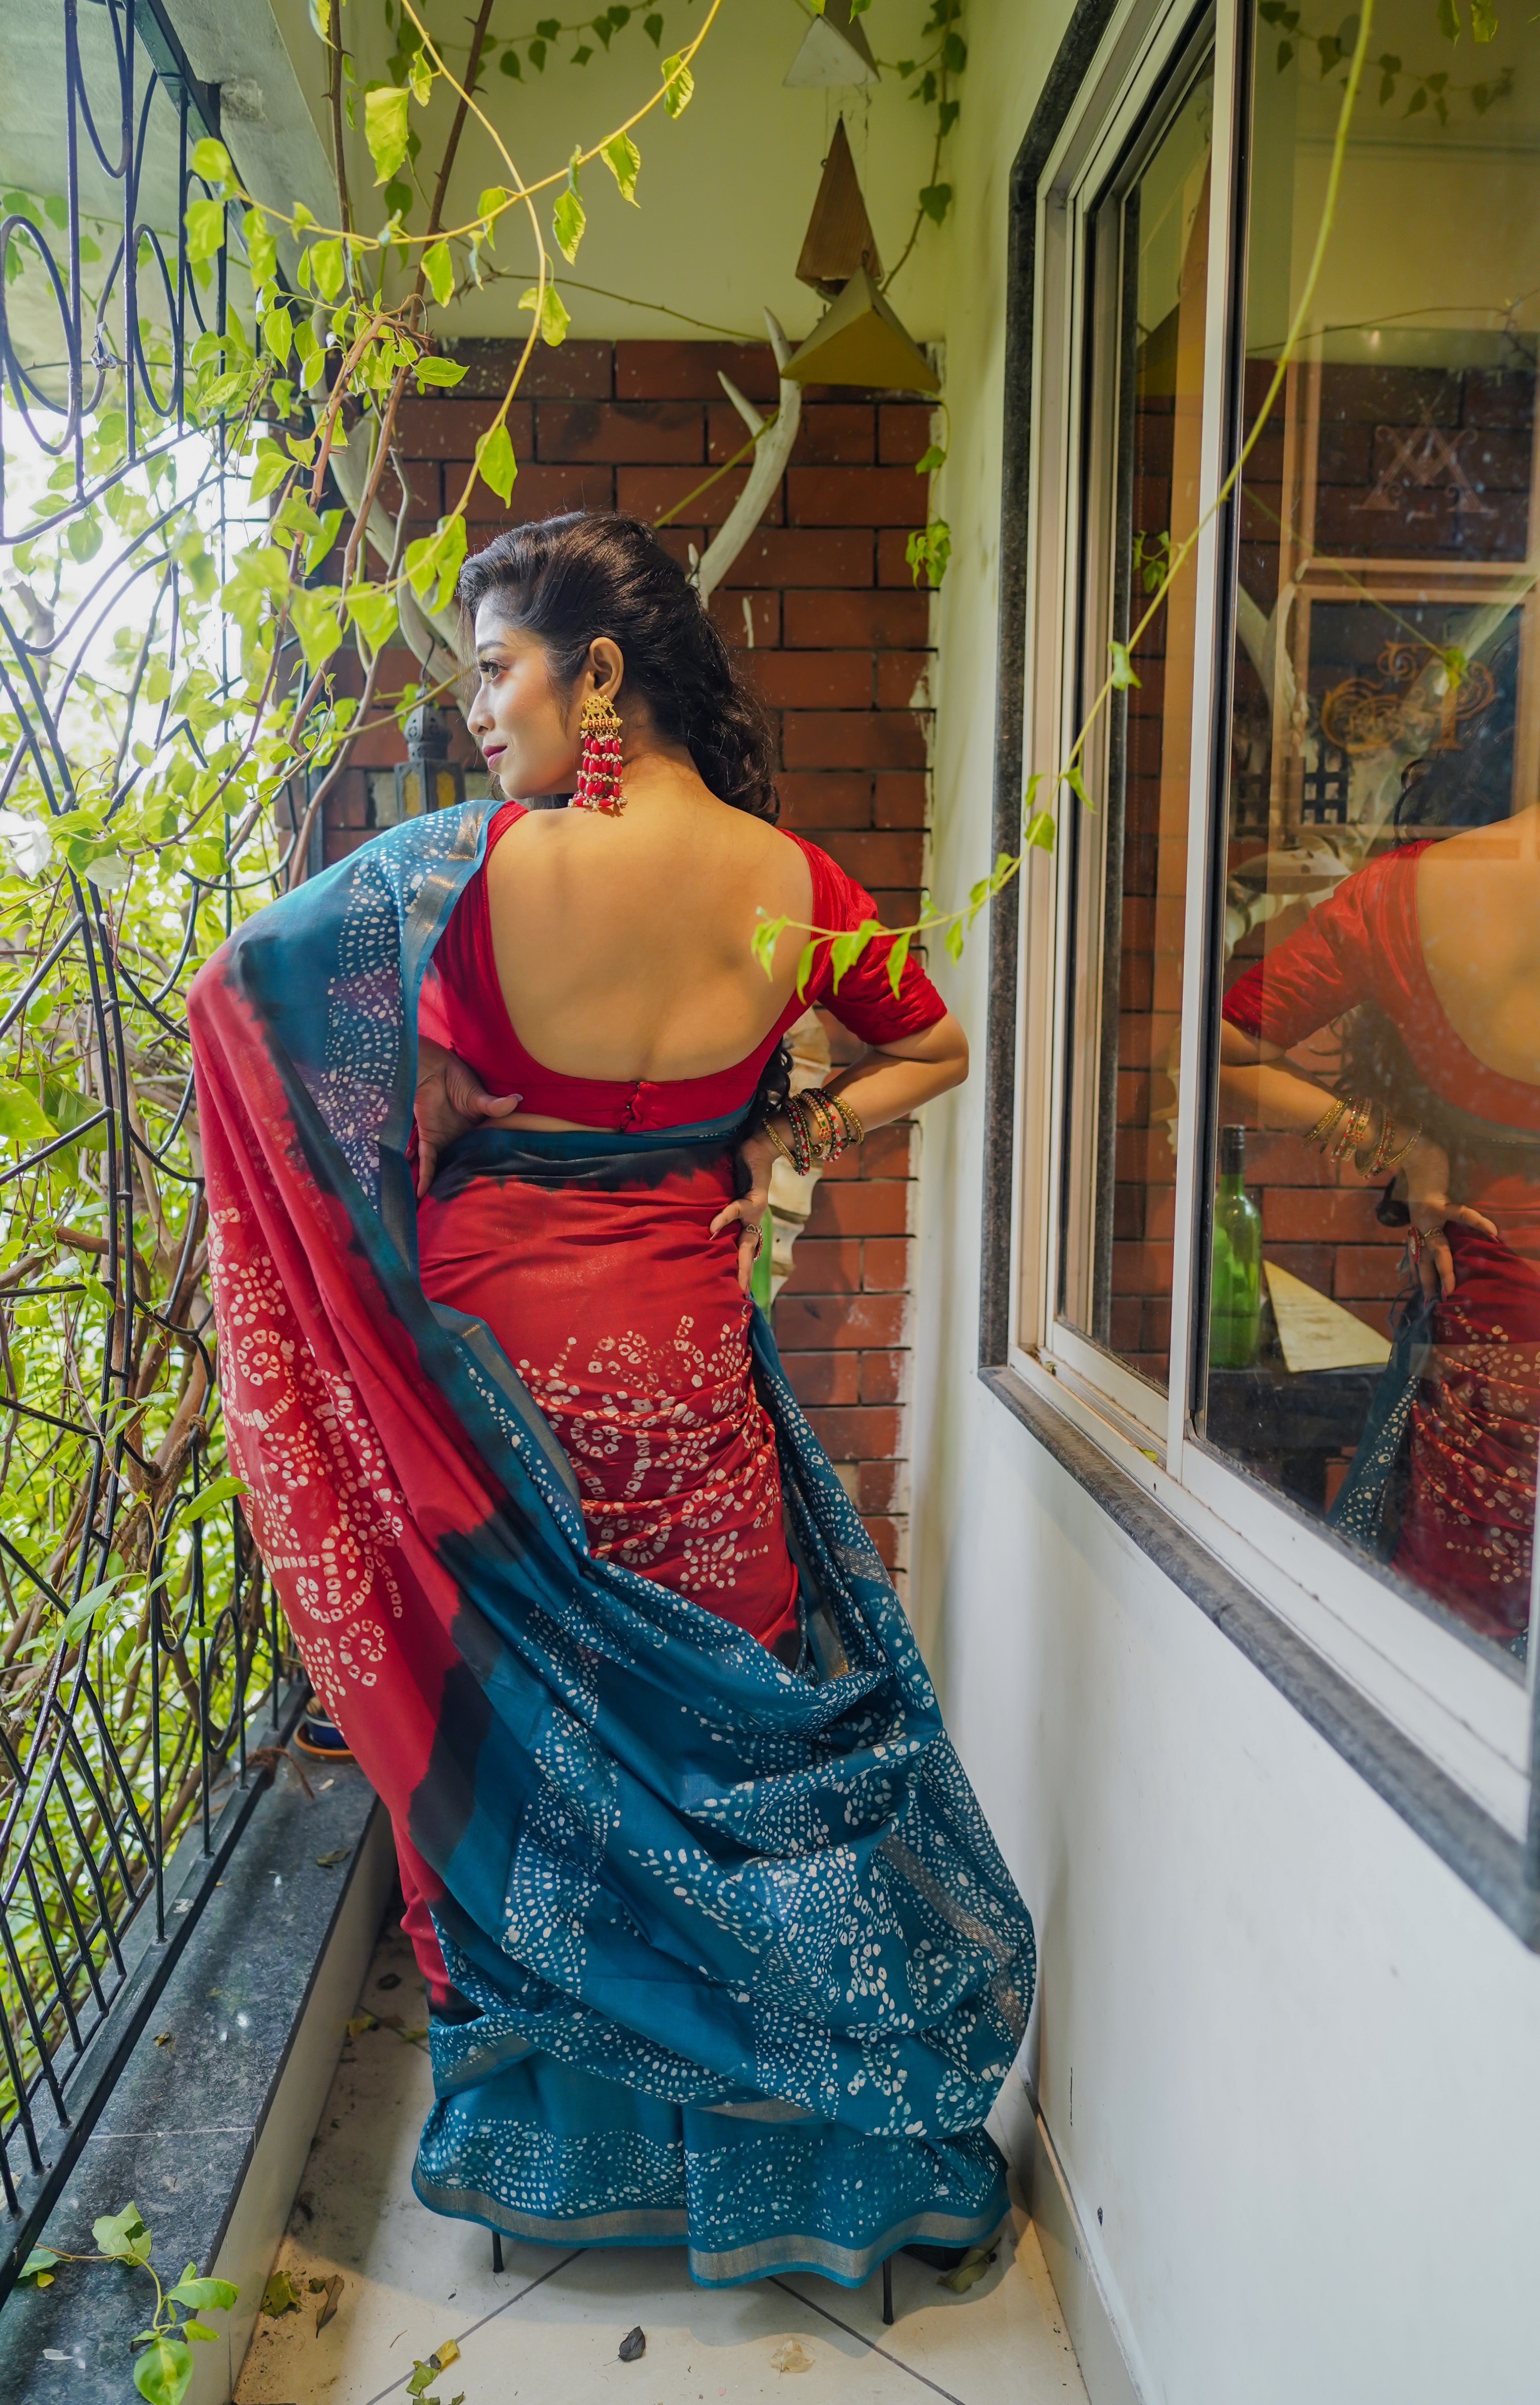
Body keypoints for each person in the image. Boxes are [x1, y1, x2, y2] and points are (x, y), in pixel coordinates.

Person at [188, 513, 1035, 2292]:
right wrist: (779, 1129)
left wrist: (448, 1117)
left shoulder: (458, 877)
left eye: (493, 671)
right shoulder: (793, 882)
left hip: (501, 1397)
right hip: (686, 1372)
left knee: (550, 1766)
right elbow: (938, 1046)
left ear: (597, 676)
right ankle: (780, 2140)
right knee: (733, 1754)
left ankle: (576, 2155)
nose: (476, 712)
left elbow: (239, 1008)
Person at [1219, 803, 1540, 1646]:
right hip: (1487, 1351)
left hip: (1486, 1344)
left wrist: (1397, 1147)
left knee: (1454, 1661)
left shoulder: (1403, 893)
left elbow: (1221, 1051)